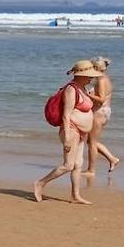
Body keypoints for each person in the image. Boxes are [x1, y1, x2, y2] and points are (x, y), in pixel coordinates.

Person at [33, 60, 100, 204]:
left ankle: (75, 196)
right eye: (89, 76)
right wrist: (68, 137)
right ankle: (40, 183)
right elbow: (66, 115)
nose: (91, 79)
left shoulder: (83, 89)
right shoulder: (71, 90)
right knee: (68, 165)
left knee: (78, 165)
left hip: (81, 132)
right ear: (80, 75)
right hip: (71, 130)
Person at [84, 56, 120, 173]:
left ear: (96, 68)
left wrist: (86, 94)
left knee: (92, 143)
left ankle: (91, 170)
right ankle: (112, 159)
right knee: (90, 141)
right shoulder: (104, 78)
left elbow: (101, 99)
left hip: (100, 112)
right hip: (104, 111)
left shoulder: (101, 80)